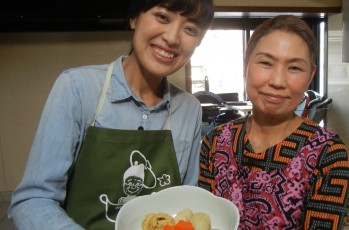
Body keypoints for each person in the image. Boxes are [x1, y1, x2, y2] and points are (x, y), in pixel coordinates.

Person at [8, 0, 214, 229]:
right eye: (162, 17)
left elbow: (187, 202)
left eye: (190, 29)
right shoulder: (77, 89)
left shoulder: (189, 109)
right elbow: (33, 200)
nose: (173, 38)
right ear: (134, 18)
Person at [198, 15, 349, 229]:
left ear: (310, 76)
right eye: (266, 63)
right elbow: (205, 222)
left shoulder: (328, 154)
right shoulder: (214, 143)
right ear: (246, 66)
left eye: (295, 68)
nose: (278, 81)